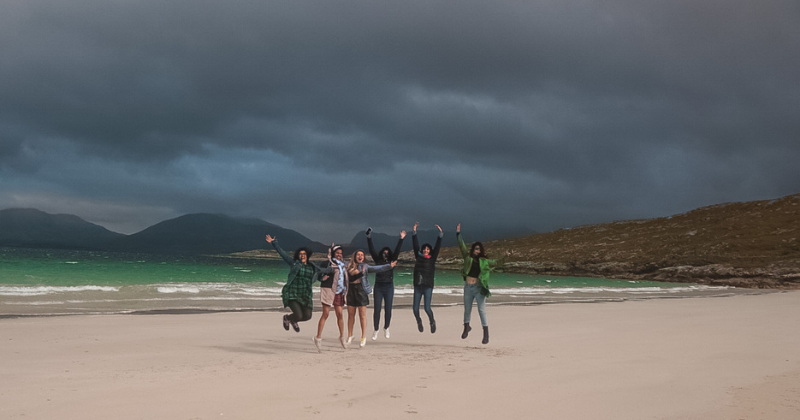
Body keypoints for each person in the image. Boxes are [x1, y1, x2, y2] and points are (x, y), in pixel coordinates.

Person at [265, 234, 332, 339]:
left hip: (305, 295)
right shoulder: (294, 264)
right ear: (298, 255)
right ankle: (288, 318)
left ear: (307, 255)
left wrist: (322, 277)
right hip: (293, 293)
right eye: (300, 254)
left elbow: (321, 273)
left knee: (307, 316)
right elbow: (283, 255)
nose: (302, 255)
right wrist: (274, 243)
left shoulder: (312, 267)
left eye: (304, 253)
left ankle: (292, 320)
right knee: (299, 315)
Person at [456, 223, 511, 345]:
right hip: (467, 287)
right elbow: (461, 246)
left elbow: (497, 263)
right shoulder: (467, 258)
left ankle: (486, 334)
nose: (477, 250)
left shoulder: (484, 261)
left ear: (481, 250)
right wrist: (458, 234)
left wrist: (505, 257)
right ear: (473, 249)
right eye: (475, 248)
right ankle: (466, 327)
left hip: (478, 288)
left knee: (481, 310)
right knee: (467, 309)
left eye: (479, 249)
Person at [345, 250, 397, 347]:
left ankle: (363, 337)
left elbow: (378, 268)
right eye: (358, 255)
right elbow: (337, 264)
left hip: (361, 291)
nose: (360, 256)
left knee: (362, 315)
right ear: (355, 256)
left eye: (362, 255)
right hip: (351, 291)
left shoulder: (366, 266)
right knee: (351, 316)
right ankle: (349, 335)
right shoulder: (348, 265)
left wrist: (389, 266)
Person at [366, 229, 406, 340]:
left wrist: (401, 239)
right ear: (381, 253)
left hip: (389, 287)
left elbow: (397, 250)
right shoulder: (377, 259)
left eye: (388, 253)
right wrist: (369, 237)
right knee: (377, 309)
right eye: (384, 252)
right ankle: (376, 330)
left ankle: (386, 328)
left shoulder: (392, 260)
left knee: (388, 309)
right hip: (378, 286)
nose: (386, 254)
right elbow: (371, 249)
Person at [313, 244, 350, 352]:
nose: (339, 255)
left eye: (340, 253)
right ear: (333, 253)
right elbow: (319, 272)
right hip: (327, 289)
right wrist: (321, 278)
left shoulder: (343, 264)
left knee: (340, 314)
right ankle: (318, 337)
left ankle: (342, 337)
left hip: (339, 291)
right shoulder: (327, 263)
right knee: (326, 314)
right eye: (337, 253)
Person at [411, 222, 443, 333]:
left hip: (428, 286)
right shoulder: (418, 257)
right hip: (418, 286)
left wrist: (440, 234)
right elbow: (415, 245)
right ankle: (419, 321)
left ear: (430, 251)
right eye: (424, 249)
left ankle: (432, 321)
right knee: (415, 309)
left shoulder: (432, 259)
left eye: (428, 249)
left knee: (427, 308)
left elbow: (437, 247)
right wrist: (414, 232)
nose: (425, 250)